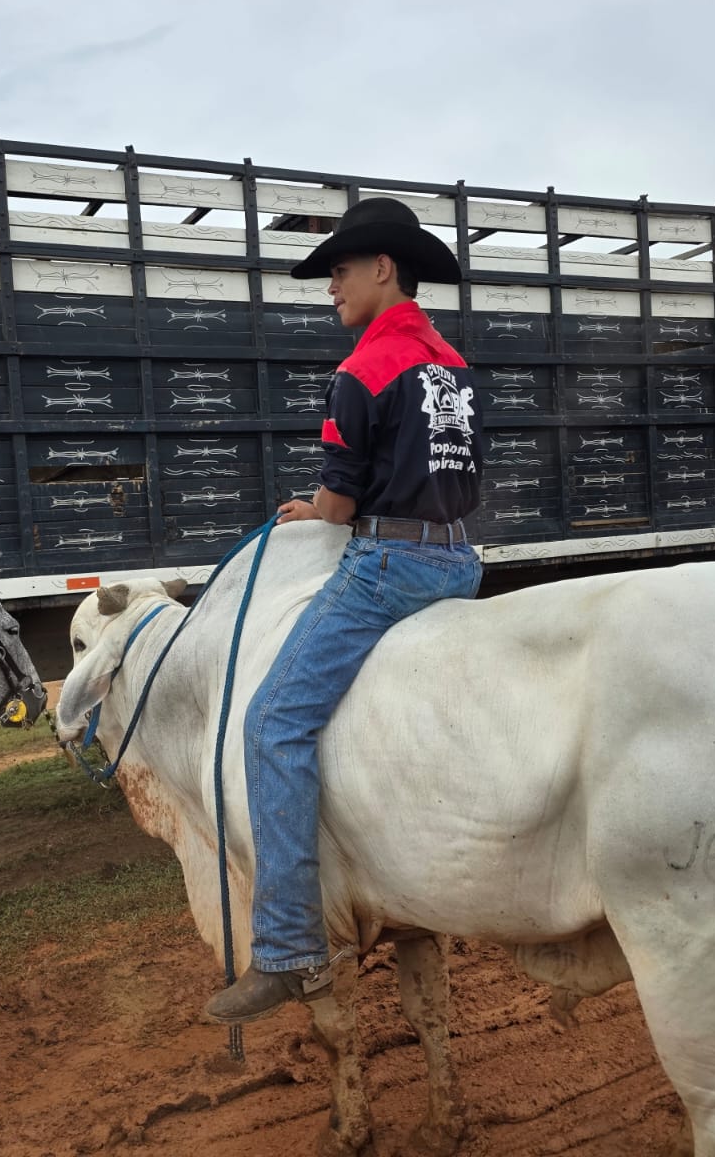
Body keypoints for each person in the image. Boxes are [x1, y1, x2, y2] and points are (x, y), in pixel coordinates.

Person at [204, 198, 484, 1024]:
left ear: (383, 269)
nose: (331, 287)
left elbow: (338, 505)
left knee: (271, 723)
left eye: (339, 271)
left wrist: (312, 509)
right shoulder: (454, 364)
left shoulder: (362, 370)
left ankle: (289, 947)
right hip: (459, 560)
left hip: (390, 567)